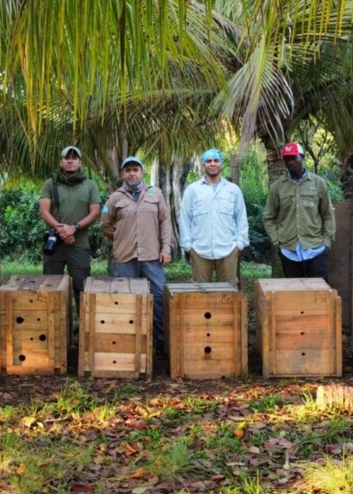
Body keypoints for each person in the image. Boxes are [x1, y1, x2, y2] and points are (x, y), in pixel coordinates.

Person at [102, 156, 172, 346]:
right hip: (125, 258)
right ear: (122, 174)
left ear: (142, 172)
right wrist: (121, 238)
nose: (132, 173)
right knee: (127, 299)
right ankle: (130, 343)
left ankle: (159, 342)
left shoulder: (155, 194)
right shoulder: (114, 197)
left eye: (135, 170)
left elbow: (165, 222)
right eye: (128, 170)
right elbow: (105, 225)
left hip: (152, 256)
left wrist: (166, 248)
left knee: (158, 296)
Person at [39, 146, 102, 309]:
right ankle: (54, 329)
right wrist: (62, 230)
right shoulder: (50, 183)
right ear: (61, 162)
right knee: (51, 288)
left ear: (80, 162)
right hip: (54, 245)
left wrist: (74, 228)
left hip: (79, 245)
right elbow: (44, 211)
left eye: (74, 158)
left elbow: (94, 212)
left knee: (82, 289)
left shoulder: (90, 185)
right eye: (66, 158)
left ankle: (83, 329)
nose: (70, 160)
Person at [263, 142, 335, 279]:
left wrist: (327, 242)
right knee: (295, 294)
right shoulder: (277, 187)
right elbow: (268, 217)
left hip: (316, 248)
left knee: (319, 294)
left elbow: (328, 214)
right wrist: (277, 241)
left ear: (302, 157)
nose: (290, 162)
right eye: (286, 159)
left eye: (294, 158)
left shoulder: (318, 183)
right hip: (289, 250)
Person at [178, 148, 248, 285]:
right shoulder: (192, 190)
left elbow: (241, 218)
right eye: (208, 161)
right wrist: (188, 247)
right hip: (199, 250)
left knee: (228, 293)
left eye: (216, 160)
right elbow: (185, 219)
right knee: (201, 293)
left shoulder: (233, 190)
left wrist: (239, 244)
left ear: (221, 163)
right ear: (203, 165)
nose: (212, 164)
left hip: (228, 249)